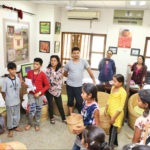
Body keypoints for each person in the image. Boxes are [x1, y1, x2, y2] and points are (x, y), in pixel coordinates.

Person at [64, 47, 96, 114]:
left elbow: (90, 71)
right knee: (70, 100)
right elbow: (65, 74)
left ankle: (81, 115)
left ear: (79, 53)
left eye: (77, 53)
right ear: (72, 54)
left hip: (79, 86)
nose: (76, 54)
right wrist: (72, 77)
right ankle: (71, 114)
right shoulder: (68, 63)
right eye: (74, 53)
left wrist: (94, 80)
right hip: (69, 85)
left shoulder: (83, 61)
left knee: (80, 101)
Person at [72, 83, 100, 150]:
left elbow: (97, 126)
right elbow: (84, 114)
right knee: (76, 146)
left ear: (89, 95)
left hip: (88, 136)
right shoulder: (85, 101)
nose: (81, 94)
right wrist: (77, 115)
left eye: (83, 93)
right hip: (81, 132)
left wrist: (84, 128)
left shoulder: (95, 109)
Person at [25, 58, 49, 131]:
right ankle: (29, 123)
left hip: (39, 95)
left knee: (38, 109)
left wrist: (39, 93)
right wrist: (26, 84)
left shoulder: (42, 74)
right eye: (34, 63)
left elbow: (47, 86)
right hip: (31, 94)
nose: (35, 65)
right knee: (31, 109)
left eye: (37, 64)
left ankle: (37, 124)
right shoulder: (29, 72)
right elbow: (28, 82)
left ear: (40, 66)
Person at [104, 74, 127, 149]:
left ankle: (110, 146)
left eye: (115, 81)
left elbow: (121, 107)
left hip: (117, 114)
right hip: (111, 111)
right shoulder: (113, 88)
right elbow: (109, 99)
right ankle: (115, 143)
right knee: (112, 129)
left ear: (121, 83)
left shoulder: (123, 92)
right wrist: (106, 108)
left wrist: (114, 117)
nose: (113, 83)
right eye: (113, 81)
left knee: (113, 130)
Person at [1, 62, 23, 137]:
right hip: (9, 102)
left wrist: (19, 99)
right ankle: (10, 129)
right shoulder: (5, 80)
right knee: (10, 116)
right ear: (8, 70)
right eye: (11, 70)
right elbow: (3, 92)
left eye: (14, 69)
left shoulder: (17, 79)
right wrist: (6, 100)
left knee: (17, 115)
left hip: (17, 101)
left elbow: (19, 89)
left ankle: (16, 126)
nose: (13, 71)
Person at [45, 55, 66, 124]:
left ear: (57, 62)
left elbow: (58, 80)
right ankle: (51, 117)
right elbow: (47, 80)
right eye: (51, 60)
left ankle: (63, 118)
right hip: (49, 90)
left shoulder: (61, 69)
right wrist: (53, 80)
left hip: (57, 90)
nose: (53, 62)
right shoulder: (48, 69)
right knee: (50, 105)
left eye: (54, 61)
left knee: (60, 104)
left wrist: (52, 80)